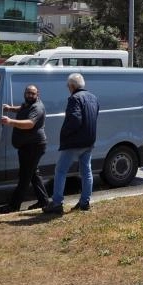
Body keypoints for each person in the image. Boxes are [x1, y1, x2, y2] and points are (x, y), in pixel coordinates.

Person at [44, 73, 99, 214]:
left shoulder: (75, 98)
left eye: (68, 86)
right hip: (89, 141)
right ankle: (84, 202)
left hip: (74, 142)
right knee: (86, 171)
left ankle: (57, 203)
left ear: (72, 86)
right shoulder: (93, 97)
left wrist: (65, 133)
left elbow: (75, 118)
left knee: (60, 171)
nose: (68, 88)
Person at [0, 84, 50, 213]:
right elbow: (22, 108)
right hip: (28, 145)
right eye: (28, 93)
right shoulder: (28, 104)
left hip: (34, 146)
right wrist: (10, 108)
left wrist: (10, 122)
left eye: (33, 93)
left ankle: (13, 206)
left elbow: (30, 124)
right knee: (33, 175)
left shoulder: (37, 107)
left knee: (25, 176)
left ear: (37, 95)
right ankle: (44, 202)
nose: (30, 95)